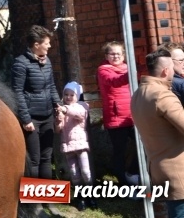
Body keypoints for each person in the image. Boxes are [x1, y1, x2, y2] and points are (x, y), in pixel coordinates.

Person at [131, 49, 184, 217]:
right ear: (166, 71)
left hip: (158, 168)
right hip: (178, 171)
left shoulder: (138, 94)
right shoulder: (163, 95)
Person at [11, 25, 61, 180]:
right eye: (47, 43)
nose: (49, 46)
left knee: (47, 157)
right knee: (34, 159)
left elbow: (51, 86)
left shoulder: (47, 62)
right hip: (32, 119)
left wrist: (58, 105)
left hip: (47, 116)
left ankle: (49, 199)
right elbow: (17, 92)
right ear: (36, 44)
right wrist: (26, 119)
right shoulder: (21, 63)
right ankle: (34, 203)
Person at [96, 40, 139, 185]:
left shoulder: (128, 68)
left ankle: (133, 173)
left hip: (132, 116)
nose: (116, 56)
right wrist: (132, 72)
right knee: (119, 151)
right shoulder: (103, 70)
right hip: (116, 118)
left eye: (118, 53)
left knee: (143, 145)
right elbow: (115, 81)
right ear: (106, 56)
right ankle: (123, 183)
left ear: (124, 55)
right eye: (112, 54)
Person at [55, 81, 95, 211]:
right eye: (66, 94)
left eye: (71, 94)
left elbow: (77, 114)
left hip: (80, 145)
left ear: (77, 96)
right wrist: (59, 119)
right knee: (74, 173)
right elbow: (58, 130)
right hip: (68, 146)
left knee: (86, 172)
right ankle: (80, 197)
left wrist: (64, 110)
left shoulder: (82, 106)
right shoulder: (63, 109)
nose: (68, 97)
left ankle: (90, 195)